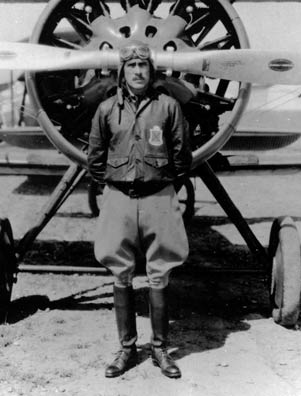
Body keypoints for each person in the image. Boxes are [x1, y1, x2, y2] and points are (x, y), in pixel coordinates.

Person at [87, 41, 192, 379]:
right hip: (118, 196)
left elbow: (182, 156)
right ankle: (127, 349)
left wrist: (161, 182)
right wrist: (115, 184)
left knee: (160, 271)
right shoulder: (106, 110)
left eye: (143, 67)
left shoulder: (169, 108)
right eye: (131, 67)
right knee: (121, 271)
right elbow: (95, 158)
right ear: (122, 71)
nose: (137, 72)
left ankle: (161, 349)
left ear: (151, 71)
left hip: (159, 197)